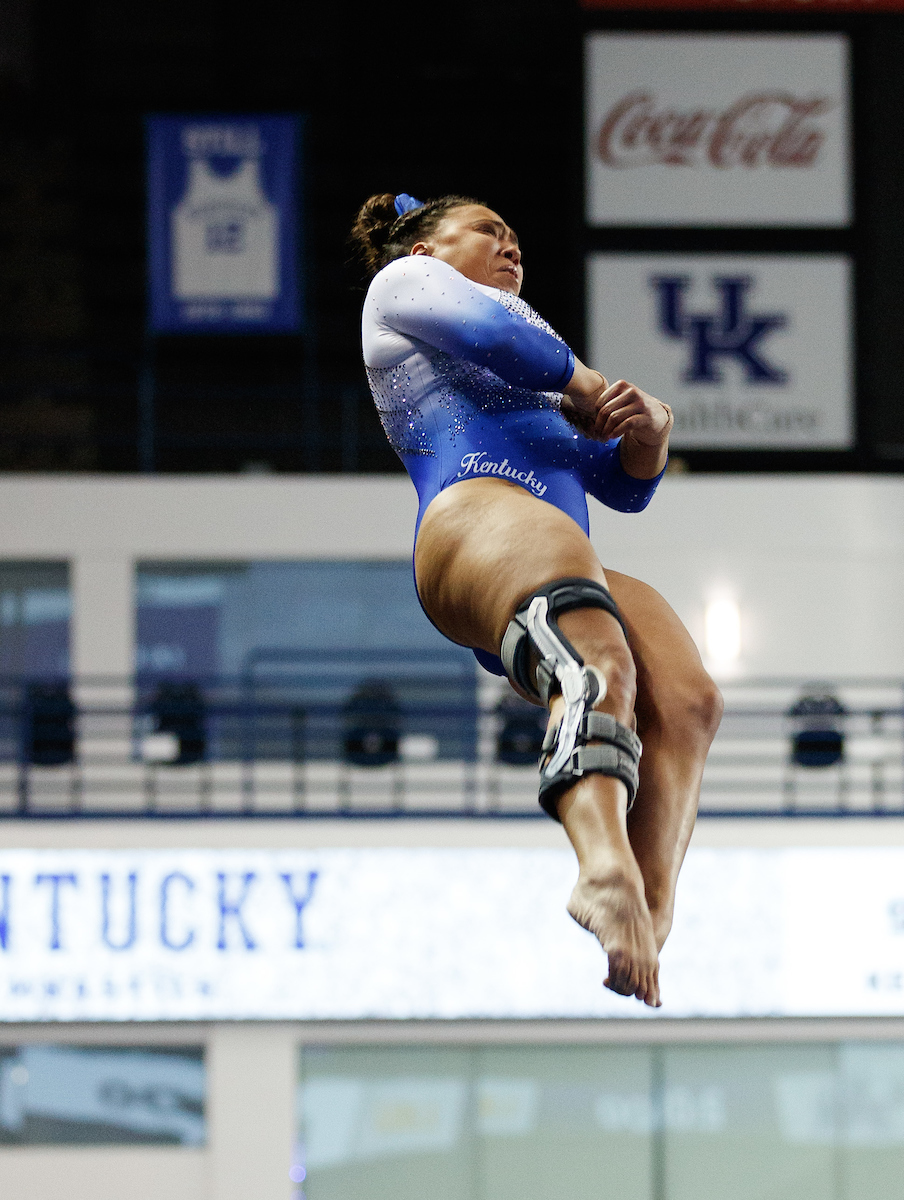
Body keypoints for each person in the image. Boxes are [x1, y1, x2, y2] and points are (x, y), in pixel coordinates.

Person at [350, 192, 722, 1007]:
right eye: (489, 229)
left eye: (517, 234)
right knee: (599, 652)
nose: (511, 243)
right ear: (426, 245)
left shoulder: (537, 355)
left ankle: (651, 907)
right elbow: (493, 335)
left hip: (552, 549)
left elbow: (615, 488)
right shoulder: (404, 289)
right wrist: (589, 383)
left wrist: (650, 436)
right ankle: (600, 866)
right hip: (472, 520)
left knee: (687, 696)